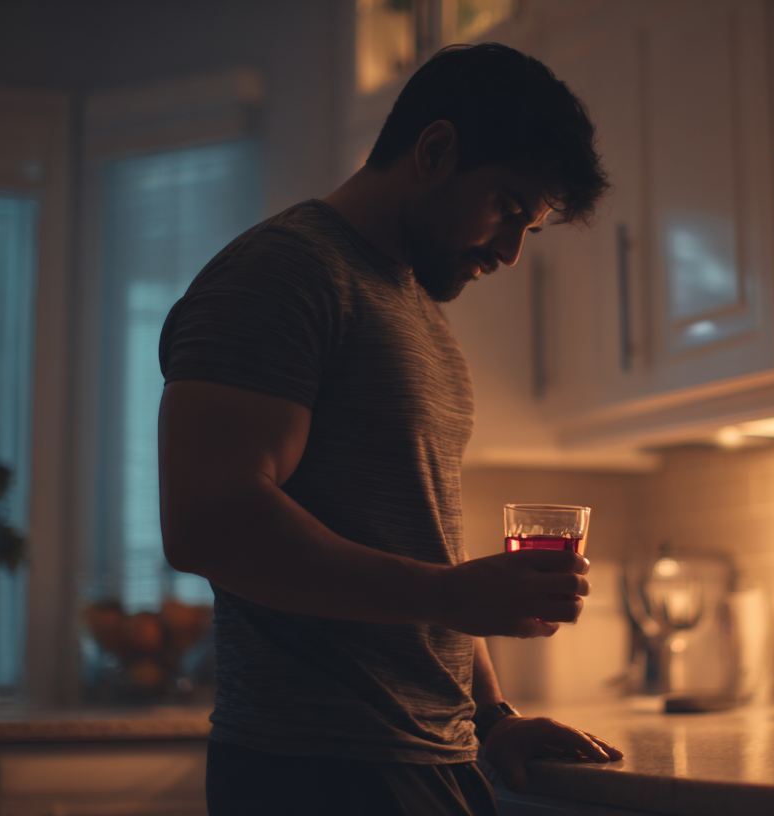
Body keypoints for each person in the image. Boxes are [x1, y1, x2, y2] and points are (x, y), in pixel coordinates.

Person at [157, 43, 624, 816]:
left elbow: (419, 547)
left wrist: (493, 718)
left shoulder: (418, 317)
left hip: (432, 760)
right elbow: (207, 524)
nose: (509, 252)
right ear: (435, 150)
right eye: (508, 207)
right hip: (312, 770)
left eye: (528, 229)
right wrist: (452, 593)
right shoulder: (280, 276)